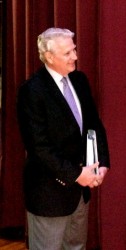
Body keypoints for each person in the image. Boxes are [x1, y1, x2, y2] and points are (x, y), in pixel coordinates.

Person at [17, 28, 110, 250]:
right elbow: (39, 148)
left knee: (77, 247)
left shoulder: (79, 80)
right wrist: (78, 174)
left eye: (74, 50)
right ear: (49, 56)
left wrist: (102, 164)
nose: (75, 56)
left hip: (80, 194)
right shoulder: (32, 91)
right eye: (68, 53)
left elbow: (94, 126)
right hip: (49, 195)